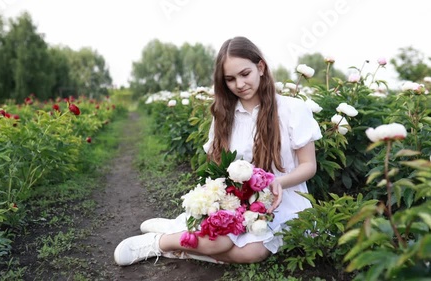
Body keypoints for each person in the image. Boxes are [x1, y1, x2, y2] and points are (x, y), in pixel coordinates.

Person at [114, 36, 322, 266]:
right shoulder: (225, 115)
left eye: (245, 74)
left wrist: (278, 183)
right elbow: (216, 167)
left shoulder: (293, 109)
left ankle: (175, 243)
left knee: (251, 253)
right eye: (230, 79)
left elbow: (308, 165)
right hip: (237, 201)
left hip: (283, 199)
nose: (240, 84)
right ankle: (160, 242)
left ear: (260, 67)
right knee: (219, 243)